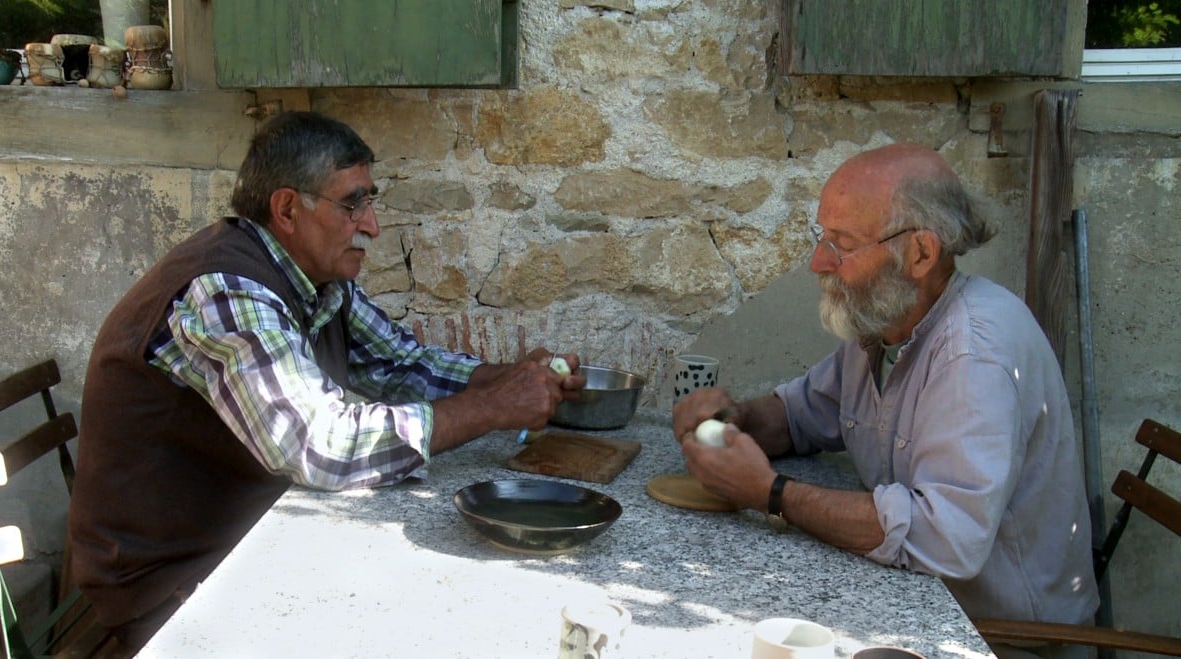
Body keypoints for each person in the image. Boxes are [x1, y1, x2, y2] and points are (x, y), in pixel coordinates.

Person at [68, 111, 585, 653]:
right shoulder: (224, 292)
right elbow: (321, 446)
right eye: (352, 203)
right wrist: (493, 407)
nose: (373, 224)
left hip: (251, 545)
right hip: (171, 590)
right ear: (288, 209)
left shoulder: (317, 279)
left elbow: (400, 364)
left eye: (370, 200)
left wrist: (516, 378)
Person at [673, 143, 1099, 659]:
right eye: (821, 237)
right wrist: (732, 419)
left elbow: (948, 538)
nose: (818, 262)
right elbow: (803, 412)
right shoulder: (882, 325)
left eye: (842, 244)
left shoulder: (973, 354)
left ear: (920, 253)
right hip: (916, 603)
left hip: (998, 638)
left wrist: (771, 493)